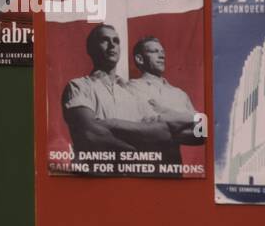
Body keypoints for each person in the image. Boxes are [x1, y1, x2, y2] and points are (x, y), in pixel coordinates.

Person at [62, 23, 187, 160]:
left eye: (116, 41)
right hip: (93, 176)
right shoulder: (79, 86)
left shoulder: (130, 92)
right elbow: (90, 134)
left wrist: (112, 124)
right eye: (105, 40)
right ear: (91, 49)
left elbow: (163, 132)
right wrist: (136, 151)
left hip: (128, 178)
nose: (112, 45)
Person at [126, 36, 205, 166]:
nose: (161, 56)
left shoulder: (179, 94)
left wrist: (166, 115)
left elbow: (202, 133)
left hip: (173, 173)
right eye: (154, 51)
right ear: (139, 59)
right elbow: (136, 129)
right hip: (142, 170)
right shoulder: (130, 89)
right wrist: (187, 120)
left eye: (162, 52)